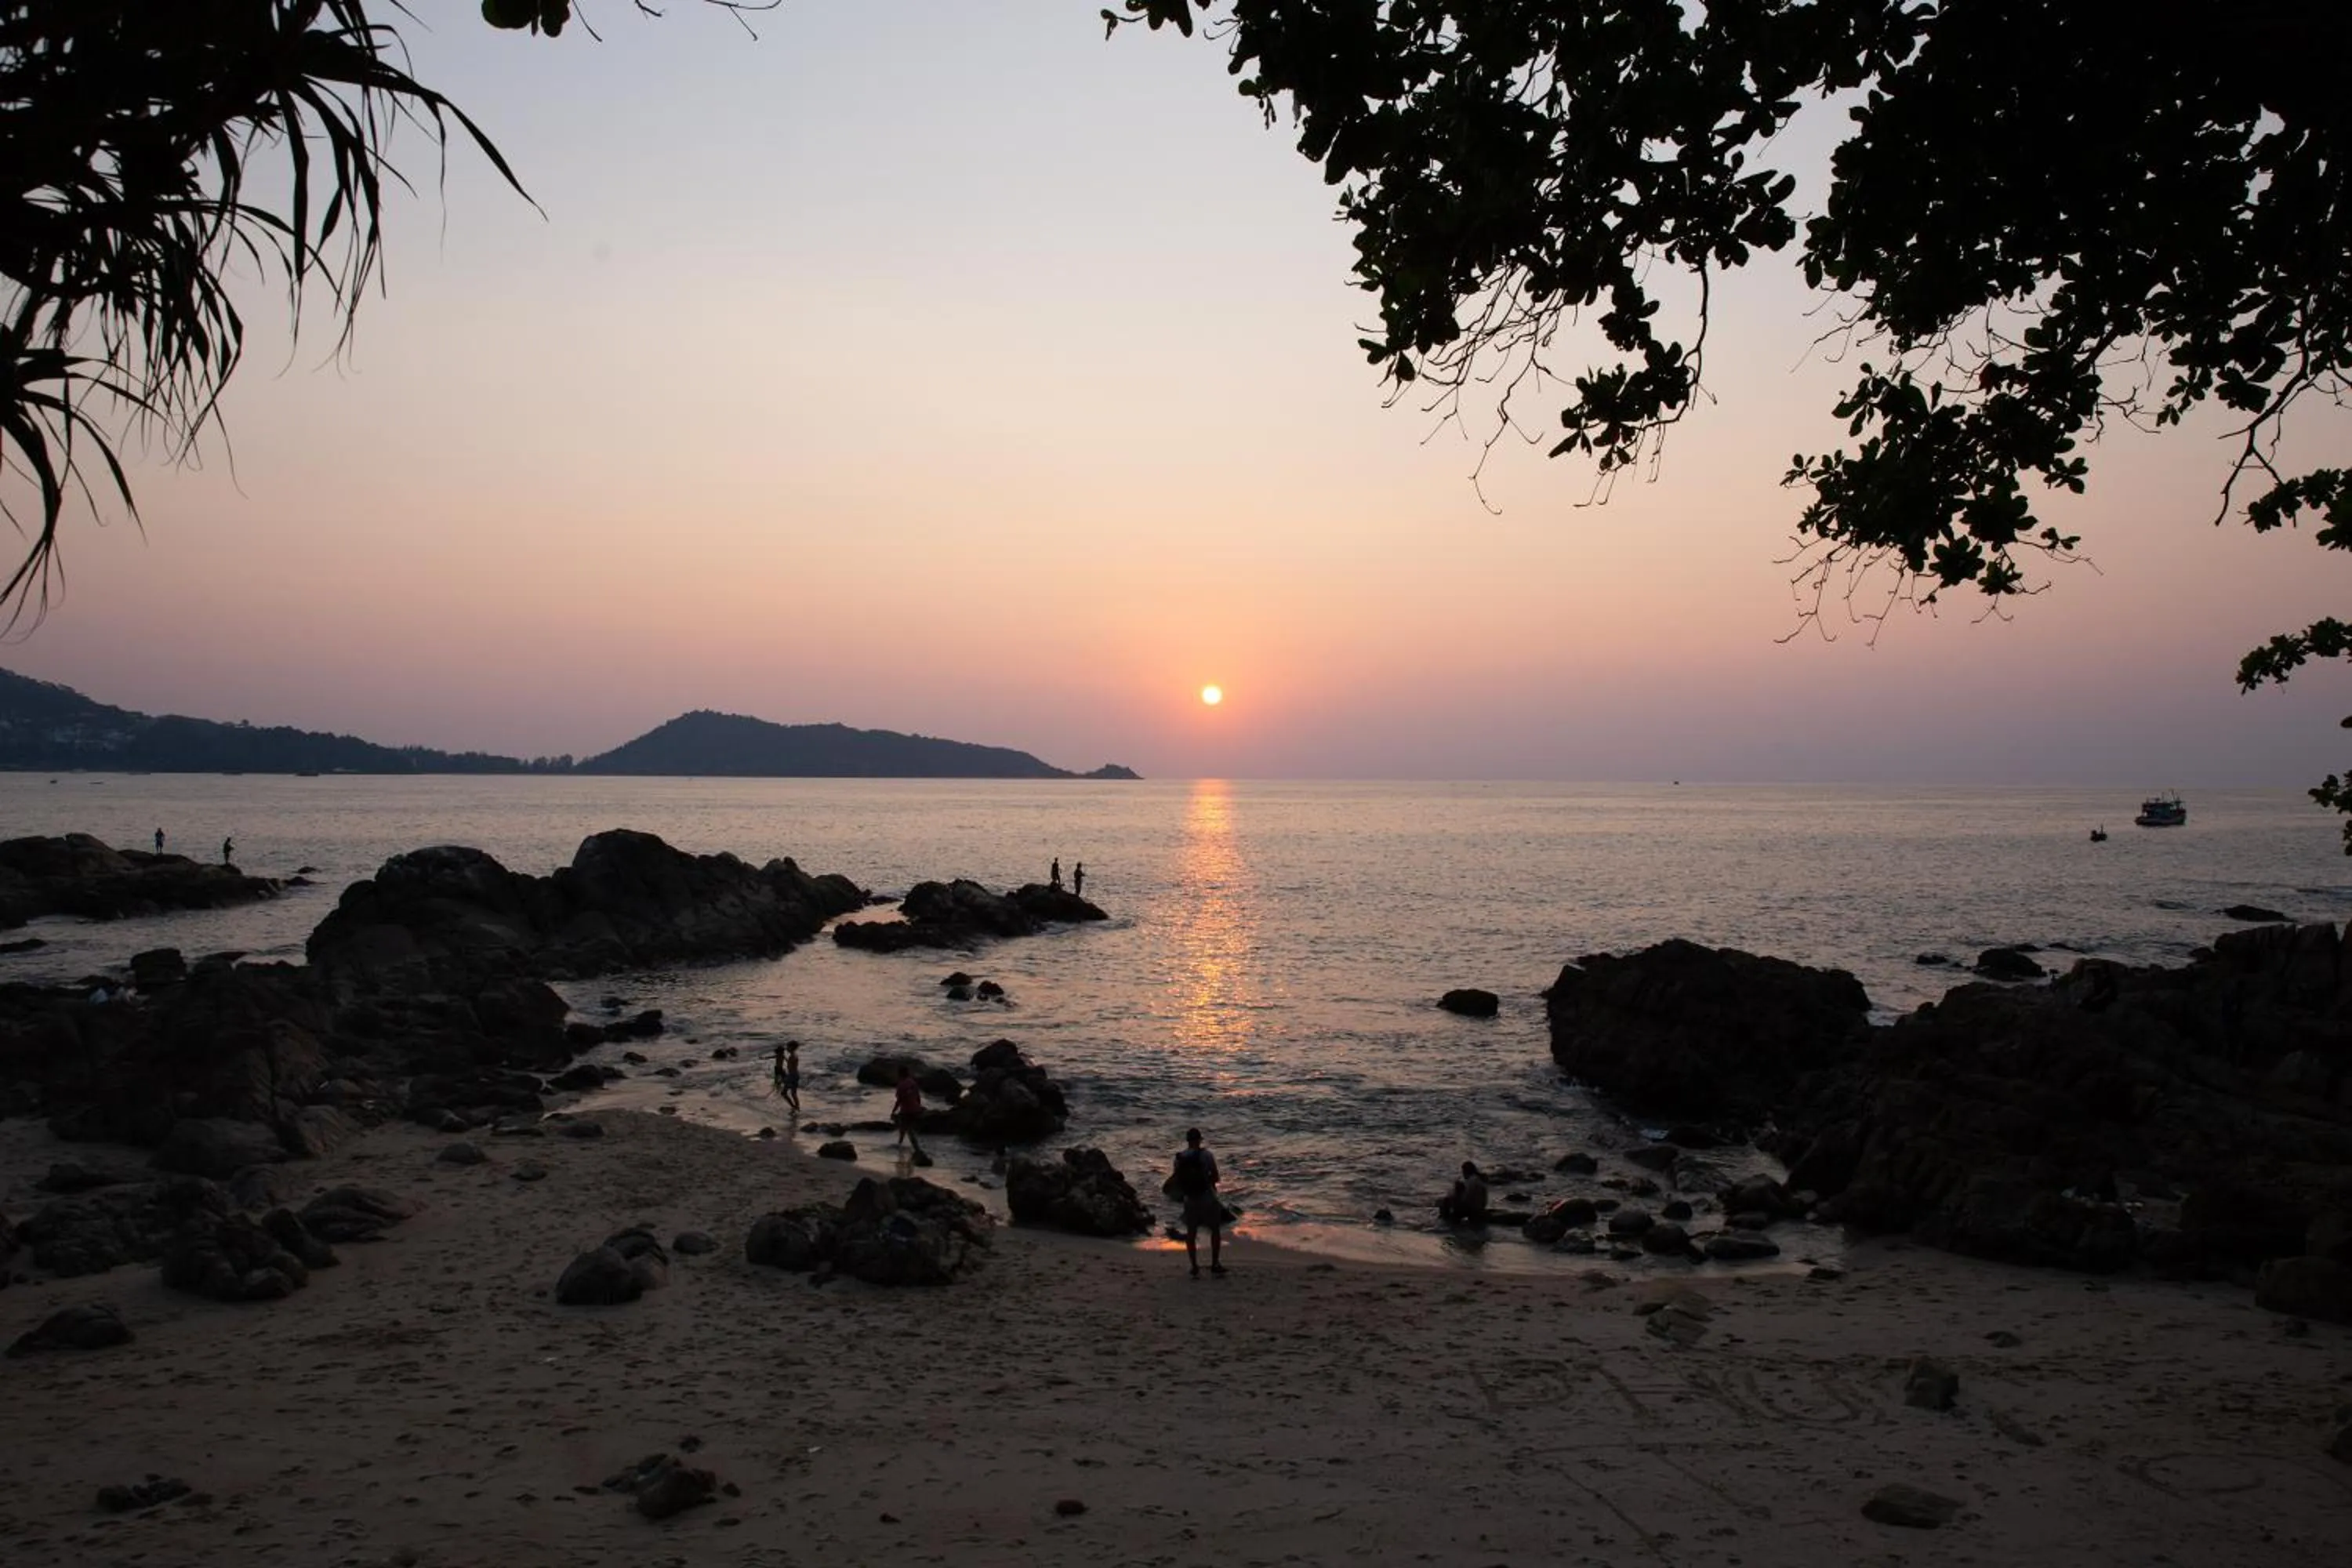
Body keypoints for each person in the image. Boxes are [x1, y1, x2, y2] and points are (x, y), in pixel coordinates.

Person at [1165, 1127, 1227, 1277]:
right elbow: (1216, 1177)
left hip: (1190, 1200)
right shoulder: (1207, 1155)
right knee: (1215, 1230)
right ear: (1199, 1140)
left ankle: (1194, 1266)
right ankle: (1215, 1264)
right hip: (1207, 1198)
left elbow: (1178, 1181)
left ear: (1187, 1141)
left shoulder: (1179, 1158)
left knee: (1191, 1233)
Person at [1439, 1160, 1490, 1226]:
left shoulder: (1471, 1181)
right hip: (1480, 1207)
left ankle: (1445, 1221)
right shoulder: (1479, 1180)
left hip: (1472, 1209)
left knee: (1446, 1201)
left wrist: (1457, 1194)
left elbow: (1466, 1199)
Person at [891, 1065, 925, 1158]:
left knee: (908, 1129)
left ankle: (917, 1149)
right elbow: (918, 1097)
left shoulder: (901, 1085)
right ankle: (900, 1144)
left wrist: (893, 1111)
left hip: (906, 1110)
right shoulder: (912, 1083)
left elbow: (899, 1100)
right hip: (915, 1109)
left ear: (900, 1074)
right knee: (904, 1128)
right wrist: (919, 1107)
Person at [772, 1040, 801, 1112]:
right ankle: (796, 1107)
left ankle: (794, 1107)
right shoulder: (794, 1056)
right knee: (793, 1093)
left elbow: (791, 1069)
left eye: (788, 1047)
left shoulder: (792, 1057)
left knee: (784, 1093)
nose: (787, 1048)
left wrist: (785, 1079)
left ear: (791, 1047)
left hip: (792, 1076)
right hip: (795, 1076)